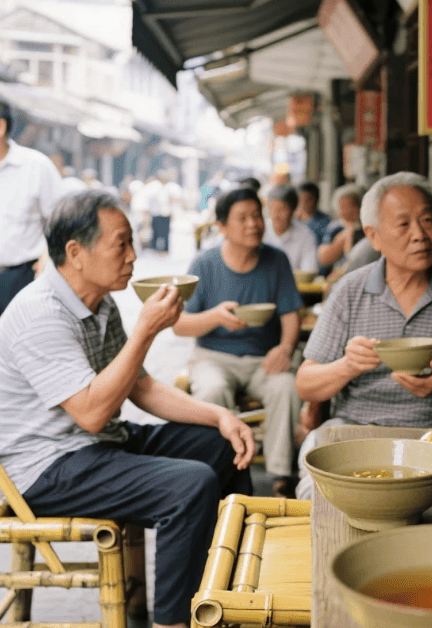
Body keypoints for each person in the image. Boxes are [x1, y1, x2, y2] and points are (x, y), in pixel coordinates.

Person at [0, 189, 255, 628]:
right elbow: (92, 412)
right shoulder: (38, 312)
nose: (134, 256)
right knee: (190, 486)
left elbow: (140, 386)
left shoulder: (100, 302)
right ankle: (174, 621)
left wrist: (220, 415)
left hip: (98, 445)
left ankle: (223, 596)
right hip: (45, 466)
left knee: (222, 446)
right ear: (76, 253)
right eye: (122, 243)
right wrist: (145, 333)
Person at [294, 172, 432, 500]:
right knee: (321, 500)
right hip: (356, 433)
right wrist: (347, 366)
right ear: (373, 236)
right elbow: (305, 382)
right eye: (404, 224)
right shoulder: (350, 290)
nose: (420, 235)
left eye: (428, 220)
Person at [173, 186, 304, 497]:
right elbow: (179, 325)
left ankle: (281, 476)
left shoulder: (276, 260)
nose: (253, 224)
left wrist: (285, 348)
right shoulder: (204, 264)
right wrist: (216, 317)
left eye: (257, 216)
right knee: (212, 390)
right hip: (213, 358)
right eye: (242, 218)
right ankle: (220, 471)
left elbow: (291, 315)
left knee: (286, 387)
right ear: (222, 227)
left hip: (263, 359)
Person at [0, 100, 62, 316]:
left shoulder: (36, 166)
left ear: (1, 127)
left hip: (21, 278)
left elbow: (61, 220)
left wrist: (47, 257)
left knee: (19, 345)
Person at [263, 184, 319, 273]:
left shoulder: (305, 235)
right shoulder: (261, 230)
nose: (275, 215)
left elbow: (309, 271)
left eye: (281, 209)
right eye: (272, 209)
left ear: (293, 210)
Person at [295, 181, 343, 275]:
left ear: (315, 200)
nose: (301, 203)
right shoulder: (295, 220)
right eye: (299, 200)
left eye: (305, 200)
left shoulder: (326, 223)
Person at [317, 183, 366, 270]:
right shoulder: (335, 227)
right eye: (342, 206)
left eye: (351, 206)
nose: (347, 211)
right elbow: (323, 258)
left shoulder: (367, 228)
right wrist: (346, 235)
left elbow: (351, 258)